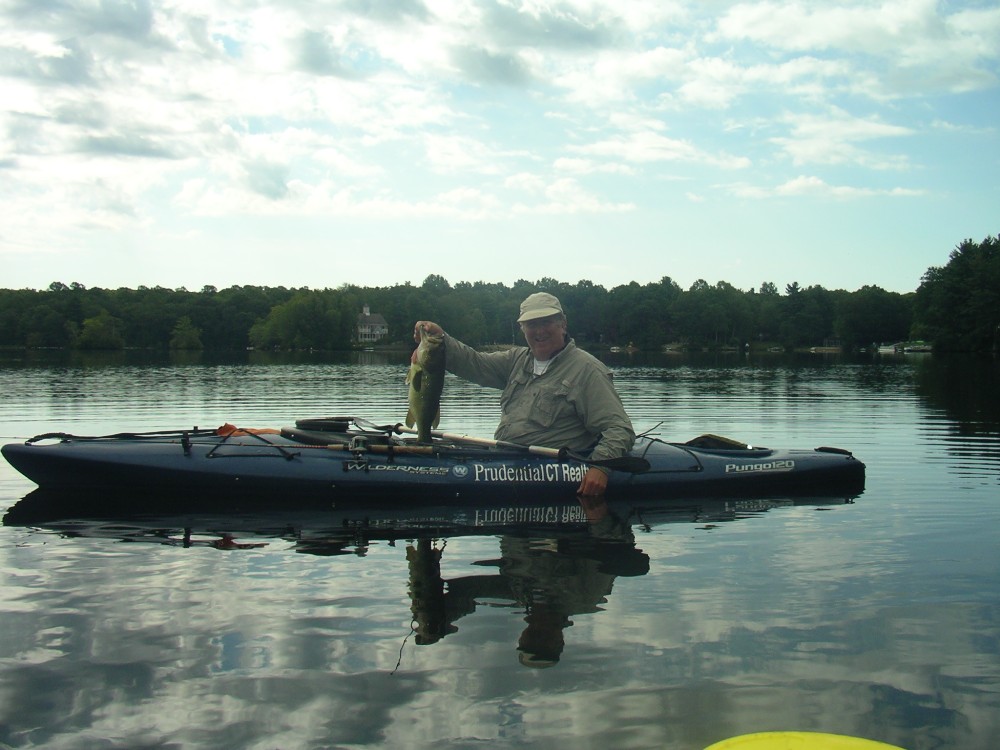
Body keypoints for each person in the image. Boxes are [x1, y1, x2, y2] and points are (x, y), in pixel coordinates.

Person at [414, 292, 635, 496]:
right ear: (522, 328)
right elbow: (474, 364)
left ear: (563, 324)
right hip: (504, 462)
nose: (539, 331)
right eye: (531, 324)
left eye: (546, 322)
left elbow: (619, 428)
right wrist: (442, 339)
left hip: (552, 472)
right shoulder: (516, 360)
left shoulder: (588, 370)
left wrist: (601, 467)